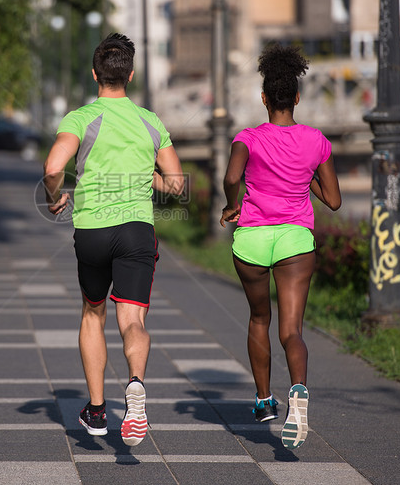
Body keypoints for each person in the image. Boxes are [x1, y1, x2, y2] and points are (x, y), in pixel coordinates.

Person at [43, 33, 184, 446]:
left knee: (93, 312)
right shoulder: (151, 122)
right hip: (137, 230)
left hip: (91, 231)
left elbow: (53, 168)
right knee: (133, 319)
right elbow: (176, 184)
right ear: (131, 76)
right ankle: (136, 383)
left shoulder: (79, 119)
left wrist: (56, 197)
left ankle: (98, 410)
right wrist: (149, 176)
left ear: (94, 75)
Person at [219, 43, 341, 450]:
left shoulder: (247, 138)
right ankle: (299, 392)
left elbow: (232, 177)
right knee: (292, 330)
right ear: (297, 98)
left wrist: (232, 204)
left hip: (252, 240)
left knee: (259, 320)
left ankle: (263, 399)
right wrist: (304, 177)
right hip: (294, 240)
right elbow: (334, 199)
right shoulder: (316, 141)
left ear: (265, 98)